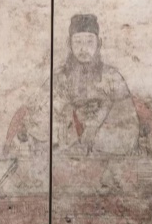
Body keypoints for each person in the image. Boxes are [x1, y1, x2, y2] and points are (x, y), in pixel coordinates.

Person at [54, 14, 140, 155]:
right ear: (69, 44)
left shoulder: (112, 77)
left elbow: (129, 126)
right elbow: (44, 117)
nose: (83, 49)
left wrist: (95, 131)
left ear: (99, 44)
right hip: (68, 148)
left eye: (89, 42)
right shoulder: (59, 77)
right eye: (78, 42)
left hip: (106, 151)